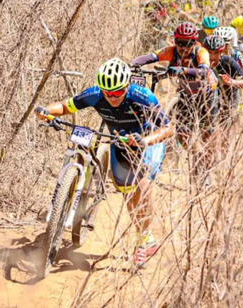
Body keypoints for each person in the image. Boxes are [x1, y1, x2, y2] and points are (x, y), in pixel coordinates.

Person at [34, 58, 175, 269]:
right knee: (129, 195)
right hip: (120, 142)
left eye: (117, 92)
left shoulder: (143, 97)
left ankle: (144, 241)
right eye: (107, 93)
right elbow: (65, 106)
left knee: (143, 188)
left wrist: (144, 141)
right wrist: (46, 111)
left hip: (148, 142)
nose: (112, 97)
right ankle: (145, 236)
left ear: (127, 86)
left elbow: (168, 129)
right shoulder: (95, 94)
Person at [131, 23, 219, 185]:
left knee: (207, 137)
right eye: (180, 42)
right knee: (183, 135)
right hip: (186, 95)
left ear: (194, 43)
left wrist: (183, 71)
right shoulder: (170, 51)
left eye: (188, 43)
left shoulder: (201, 52)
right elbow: (149, 57)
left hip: (206, 97)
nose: (183, 48)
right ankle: (196, 157)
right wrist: (132, 64)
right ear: (175, 41)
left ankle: (207, 173)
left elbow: (203, 71)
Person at [203, 34, 243, 127]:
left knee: (228, 124)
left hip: (229, 96)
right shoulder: (200, 61)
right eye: (209, 52)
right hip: (208, 96)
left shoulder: (228, 61)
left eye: (215, 53)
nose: (212, 57)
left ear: (221, 52)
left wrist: (230, 82)